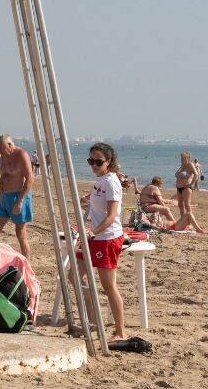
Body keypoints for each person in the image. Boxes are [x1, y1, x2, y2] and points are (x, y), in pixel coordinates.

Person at [79, 142, 128, 343]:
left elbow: (111, 216)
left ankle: (120, 331)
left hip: (106, 238)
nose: (94, 165)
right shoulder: (100, 180)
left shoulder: (111, 182)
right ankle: (92, 319)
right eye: (91, 161)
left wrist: (92, 233)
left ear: (108, 162)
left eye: (99, 162)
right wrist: (88, 198)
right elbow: (97, 199)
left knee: (109, 287)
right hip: (94, 236)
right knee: (74, 276)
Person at [0, 135, 34, 257]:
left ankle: (27, 265)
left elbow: (30, 178)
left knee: (20, 233)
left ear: (10, 144)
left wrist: (20, 202)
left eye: (2, 148)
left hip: (18, 196)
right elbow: (3, 178)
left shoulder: (21, 155)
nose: (0, 152)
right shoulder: (3, 155)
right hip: (4, 197)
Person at [174, 151, 208, 233]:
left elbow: (196, 175)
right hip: (179, 187)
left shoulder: (190, 165)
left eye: (182, 158)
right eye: (181, 158)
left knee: (187, 205)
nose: (181, 159)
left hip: (186, 188)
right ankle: (184, 221)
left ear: (187, 158)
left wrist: (191, 184)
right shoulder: (182, 166)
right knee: (180, 205)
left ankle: (190, 224)